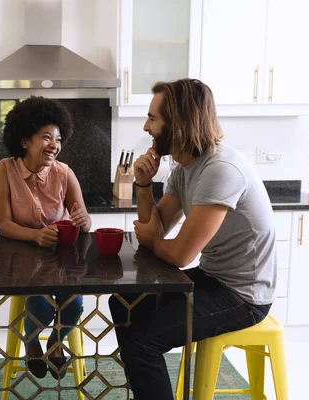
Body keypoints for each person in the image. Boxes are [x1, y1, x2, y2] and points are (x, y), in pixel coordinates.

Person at [108, 78, 276, 399]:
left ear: (179, 123)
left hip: (243, 295)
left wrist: (153, 239)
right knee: (124, 303)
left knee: (143, 339)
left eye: (153, 118)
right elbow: (157, 233)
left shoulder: (220, 169)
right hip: (215, 278)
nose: (146, 127)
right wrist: (143, 184)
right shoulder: (184, 168)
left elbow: (180, 255)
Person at [0, 96, 92, 379]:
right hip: (22, 257)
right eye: (46, 136)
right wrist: (35, 235)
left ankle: (55, 342)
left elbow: (83, 219)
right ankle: (32, 343)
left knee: (74, 303)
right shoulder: (4, 169)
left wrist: (83, 221)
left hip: (62, 259)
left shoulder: (65, 173)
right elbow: (3, 224)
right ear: (25, 140)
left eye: (58, 139)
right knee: (40, 303)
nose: (54, 145)